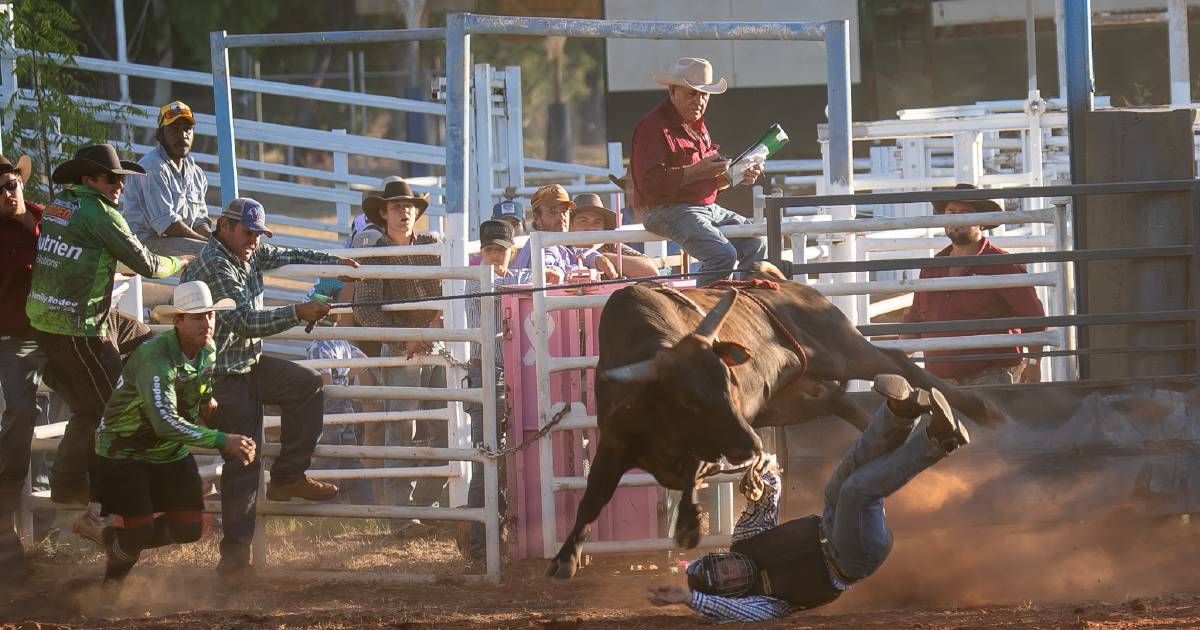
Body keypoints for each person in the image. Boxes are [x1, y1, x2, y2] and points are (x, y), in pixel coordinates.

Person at [648, 374, 971, 623]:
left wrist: (763, 482)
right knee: (856, 491)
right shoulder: (766, 602)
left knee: (841, 481)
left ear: (721, 556)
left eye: (722, 566)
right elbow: (736, 614)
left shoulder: (744, 540)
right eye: (725, 581)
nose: (731, 570)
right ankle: (939, 439)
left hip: (830, 524)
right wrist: (690, 599)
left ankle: (900, 414)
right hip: (849, 558)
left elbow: (766, 499)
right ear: (729, 594)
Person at [180, 196, 359, 576]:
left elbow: (284, 253)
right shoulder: (215, 265)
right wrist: (298, 311)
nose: (255, 241)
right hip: (220, 376)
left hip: (245, 365)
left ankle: (288, 475)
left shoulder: (245, 253)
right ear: (225, 227)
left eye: (259, 234)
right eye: (249, 232)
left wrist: (332, 263)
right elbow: (246, 321)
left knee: (308, 385)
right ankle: (234, 562)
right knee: (243, 461)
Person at [26, 144, 189, 505]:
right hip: (77, 325)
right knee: (105, 409)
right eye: (112, 179)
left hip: (62, 317)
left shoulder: (59, 206)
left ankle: (79, 473)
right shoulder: (100, 214)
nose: (119, 185)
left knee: (145, 340)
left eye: (121, 179)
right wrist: (179, 263)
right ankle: (71, 483)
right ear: (89, 179)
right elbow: (145, 263)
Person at [92, 280, 256, 586]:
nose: (206, 323)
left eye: (210, 315)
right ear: (177, 321)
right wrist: (223, 439)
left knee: (189, 529)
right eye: (196, 317)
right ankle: (110, 585)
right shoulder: (155, 359)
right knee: (139, 531)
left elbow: (202, 379)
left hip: (167, 449)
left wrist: (205, 398)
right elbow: (164, 422)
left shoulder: (207, 348)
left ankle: (118, 543)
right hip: (125, 451)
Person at [352, 177, 445, 538]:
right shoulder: (375, 249)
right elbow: (366, 311)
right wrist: (405, 337)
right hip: (400, 348)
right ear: (384, 213)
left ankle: (425, 504)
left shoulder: (430, 245)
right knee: (400, 430)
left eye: (408, 207)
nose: (404, 212)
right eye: (396, 207)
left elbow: (448, 288)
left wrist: (438, 322)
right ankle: (403, 515)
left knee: (445, 425)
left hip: (436, 342)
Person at [630, 57, 766, 285]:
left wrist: (737, 176)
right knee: (722, 256)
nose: (699, 100)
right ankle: (707, 317)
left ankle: (744, 308)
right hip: (666, 209)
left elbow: (706, 183)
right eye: (691, 93)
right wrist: (698, 171)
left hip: (700, 208)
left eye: (704, 95)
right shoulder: (652, 127)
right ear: (673, 92)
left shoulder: (697, 127)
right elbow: (649, 184)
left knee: (756, 242)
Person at [903, 184, 1047, 385]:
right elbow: (916, 320)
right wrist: (899, 360)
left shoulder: (1003, 265)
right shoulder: (931, 269)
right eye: (951, 212)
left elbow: (1034, 318)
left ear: (982, 221)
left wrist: (1033, 363)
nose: (957, 218)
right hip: (939, 382)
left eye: (965, 213)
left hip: (990, 376)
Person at [462, 219, 532, 566]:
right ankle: (480, 545)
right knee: (487, 460)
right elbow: (496, 306)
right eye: (488, 250)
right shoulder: (476, 284)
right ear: (481, 252)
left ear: (511, 252)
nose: (493, 257)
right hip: (486, 374)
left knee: (520, 460)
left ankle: (513, 539)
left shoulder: (520, 280)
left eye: (499, 250)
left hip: (516, 376)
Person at [0, 154, 43, 581]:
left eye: (13, 182)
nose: (9, 190)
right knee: (22, 411)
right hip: (16, 336)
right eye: (1, 188)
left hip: (59, 331)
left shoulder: (47, 220)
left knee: (101, 394)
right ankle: (7, 495)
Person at [121, 101, 212, 256]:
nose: (182, 135)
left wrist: (217, 241)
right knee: (212, 253)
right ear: (160, 134)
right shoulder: (152, 167)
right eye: (174, 130)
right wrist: (212, 246)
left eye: (187, 129)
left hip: (172, 241)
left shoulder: (196, 172)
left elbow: (198, 220)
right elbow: (167, 225)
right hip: (142, 244)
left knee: (228, 251)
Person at [510, 184, 613, 281]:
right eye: (553, 212)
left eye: (564, 211)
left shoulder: (551, 243)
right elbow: (550, 269)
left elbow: (572, 254)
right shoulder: (544, 246)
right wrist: (584, 269)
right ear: (537, 218)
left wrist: (595, 258)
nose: (561, 217)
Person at [569, 193, 661, 278]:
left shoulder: (610, 245)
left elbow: (651, 271)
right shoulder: (561, 248)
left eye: (597, 222)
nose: (590, 227)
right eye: (583, 221)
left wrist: (602, 257)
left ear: (604, 227)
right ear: (570, 226)